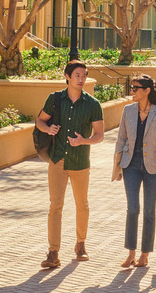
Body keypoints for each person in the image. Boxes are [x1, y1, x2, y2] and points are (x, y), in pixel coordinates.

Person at [35, 59, 104, 269]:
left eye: (84, 75)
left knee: (81, 204)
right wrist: (48, 130)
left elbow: (100, 134)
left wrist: (84, 140)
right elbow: (40, 121)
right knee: (55, 205)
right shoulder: (55, 99)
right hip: (57, 159)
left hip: (80, 161)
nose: (82, 79)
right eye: (78, 75)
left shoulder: (92, 104)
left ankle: (81, 244)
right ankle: (53, 252)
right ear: (67, 76)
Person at [114, 74, 156, 269]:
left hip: (154, 168)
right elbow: (121, 139)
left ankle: (145, 254)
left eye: (135, 88)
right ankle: (131, 253)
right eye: (131, 87)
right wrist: (117, 167)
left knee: (149, 210)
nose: (131, 91)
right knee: (133, 209)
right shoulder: (128, 111)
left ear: (147, 91)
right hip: (131, 165)